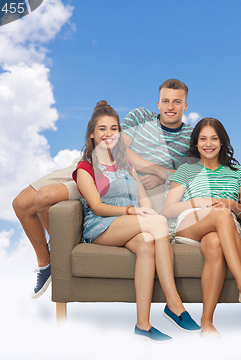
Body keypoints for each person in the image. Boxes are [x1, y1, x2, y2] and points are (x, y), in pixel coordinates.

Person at [12, 79, 192, 299]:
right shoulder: (140, 116)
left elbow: (186, 175)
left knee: (49, 197)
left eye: (177, 102)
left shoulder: (191, 137)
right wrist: (158, 170)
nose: (170, 106)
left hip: (124, 183)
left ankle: (61, 251)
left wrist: (161, 178)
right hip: (98, 167)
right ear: (158, 103)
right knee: (24, 203)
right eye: (166, 101)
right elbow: (119, 148)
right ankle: (46, 261)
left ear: (185, 105)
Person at [73, 100, 200, 342]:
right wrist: (134, 212)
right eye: (102, 129)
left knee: (146, 243)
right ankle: (174, 303)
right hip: (101, 225)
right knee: (158, 224)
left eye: (113, 128)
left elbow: (144, 198)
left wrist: (147, 210)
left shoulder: (125, 164)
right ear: (91, 134)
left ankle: (142, 324)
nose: (108, 134)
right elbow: (97, 206)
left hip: (128, 222)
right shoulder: (85, 167)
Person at [164, 118, 241, 339]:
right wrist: (201, 201)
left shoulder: (238, 171)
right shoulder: (186, 170)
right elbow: (169, 209)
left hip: (225, 228)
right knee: (221, 213)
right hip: (191, 224)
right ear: (195, 144)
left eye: (214, 138)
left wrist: (233, 205)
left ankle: (206, 322)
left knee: (214, 242)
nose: (208, 143)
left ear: (222, 142)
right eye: (203, 138)